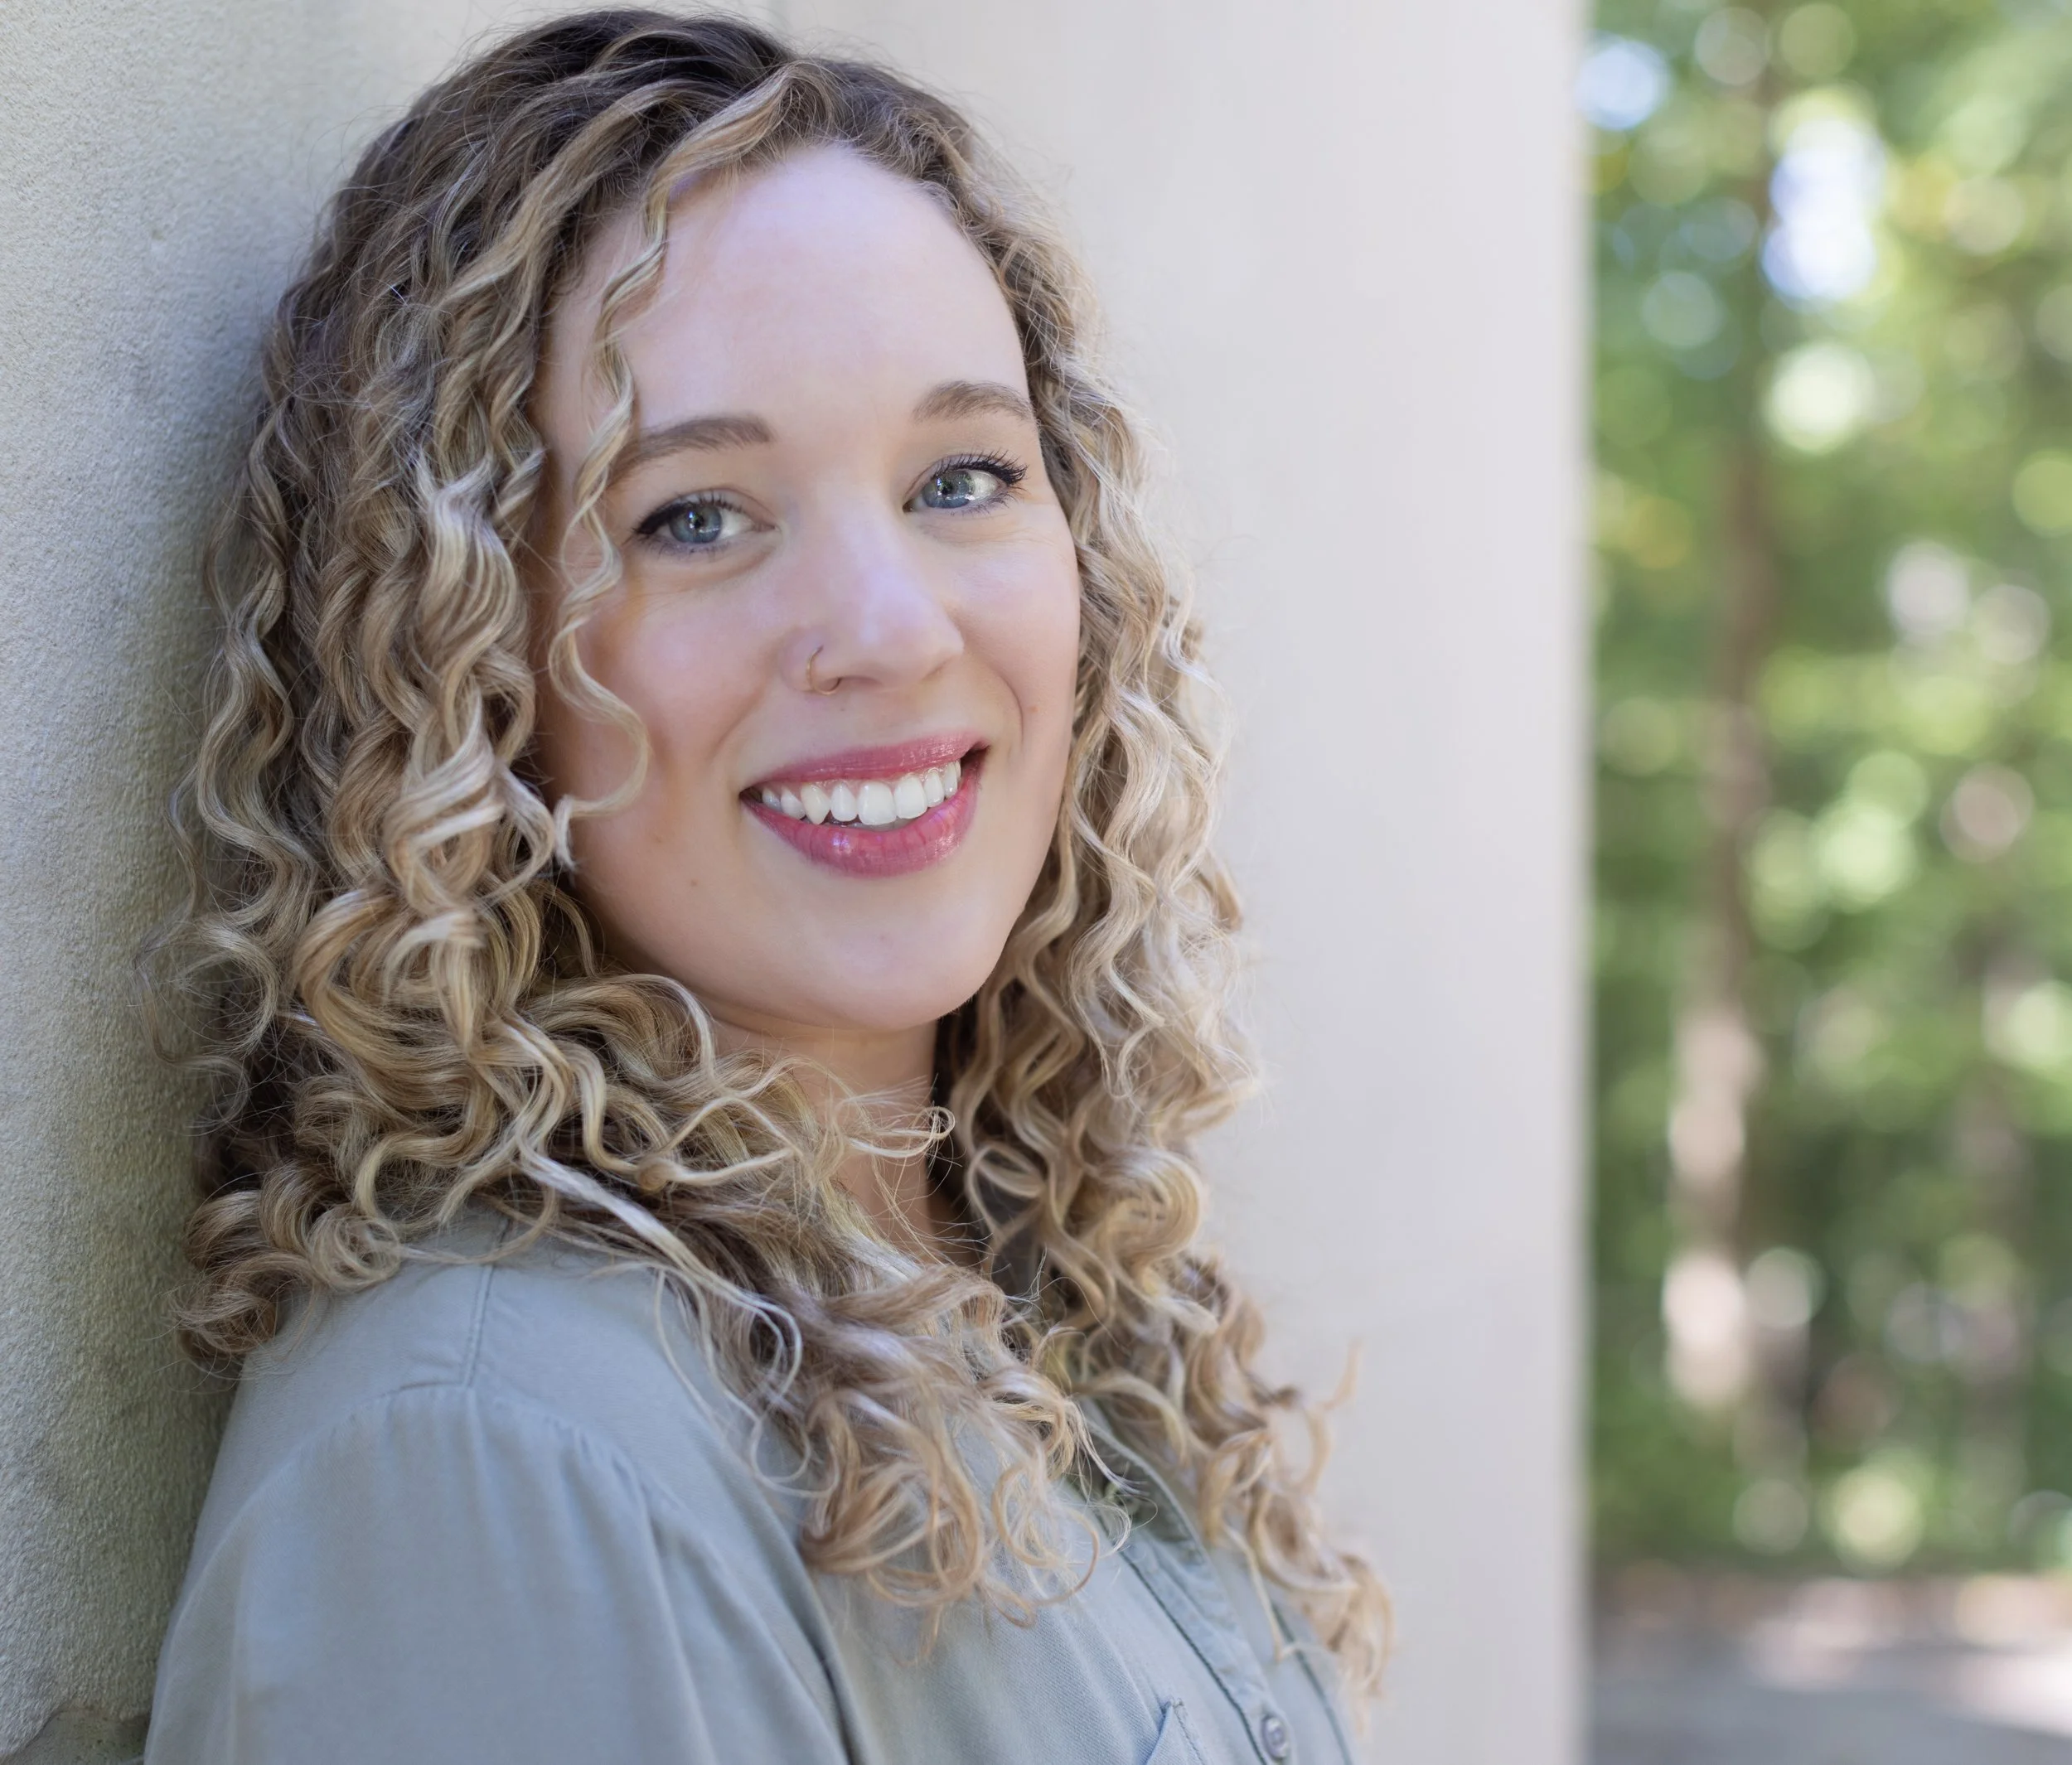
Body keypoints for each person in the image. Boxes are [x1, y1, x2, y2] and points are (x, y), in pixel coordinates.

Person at [142, 12, 1387, 1761]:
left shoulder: (1038, 1310)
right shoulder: (494, 1462)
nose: (889, 629)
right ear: (464, 655)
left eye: (961, 479)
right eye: (697, 517)